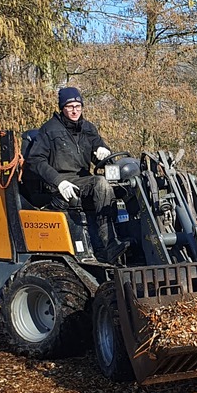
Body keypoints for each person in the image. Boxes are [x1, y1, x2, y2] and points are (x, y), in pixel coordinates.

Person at [26, 87, 128, 262]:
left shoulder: (88, 128)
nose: (74, 110)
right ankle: (109, 245)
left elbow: (101, 155)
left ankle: (129, 238)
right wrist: (58, 182)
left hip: (83, 179)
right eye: (70, 106)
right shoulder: (49, 130)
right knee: (101, 184)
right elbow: (35, 160)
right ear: (62, 108)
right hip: (61, 181)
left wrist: (103, 151)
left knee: (125, 186)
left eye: (78, 106)